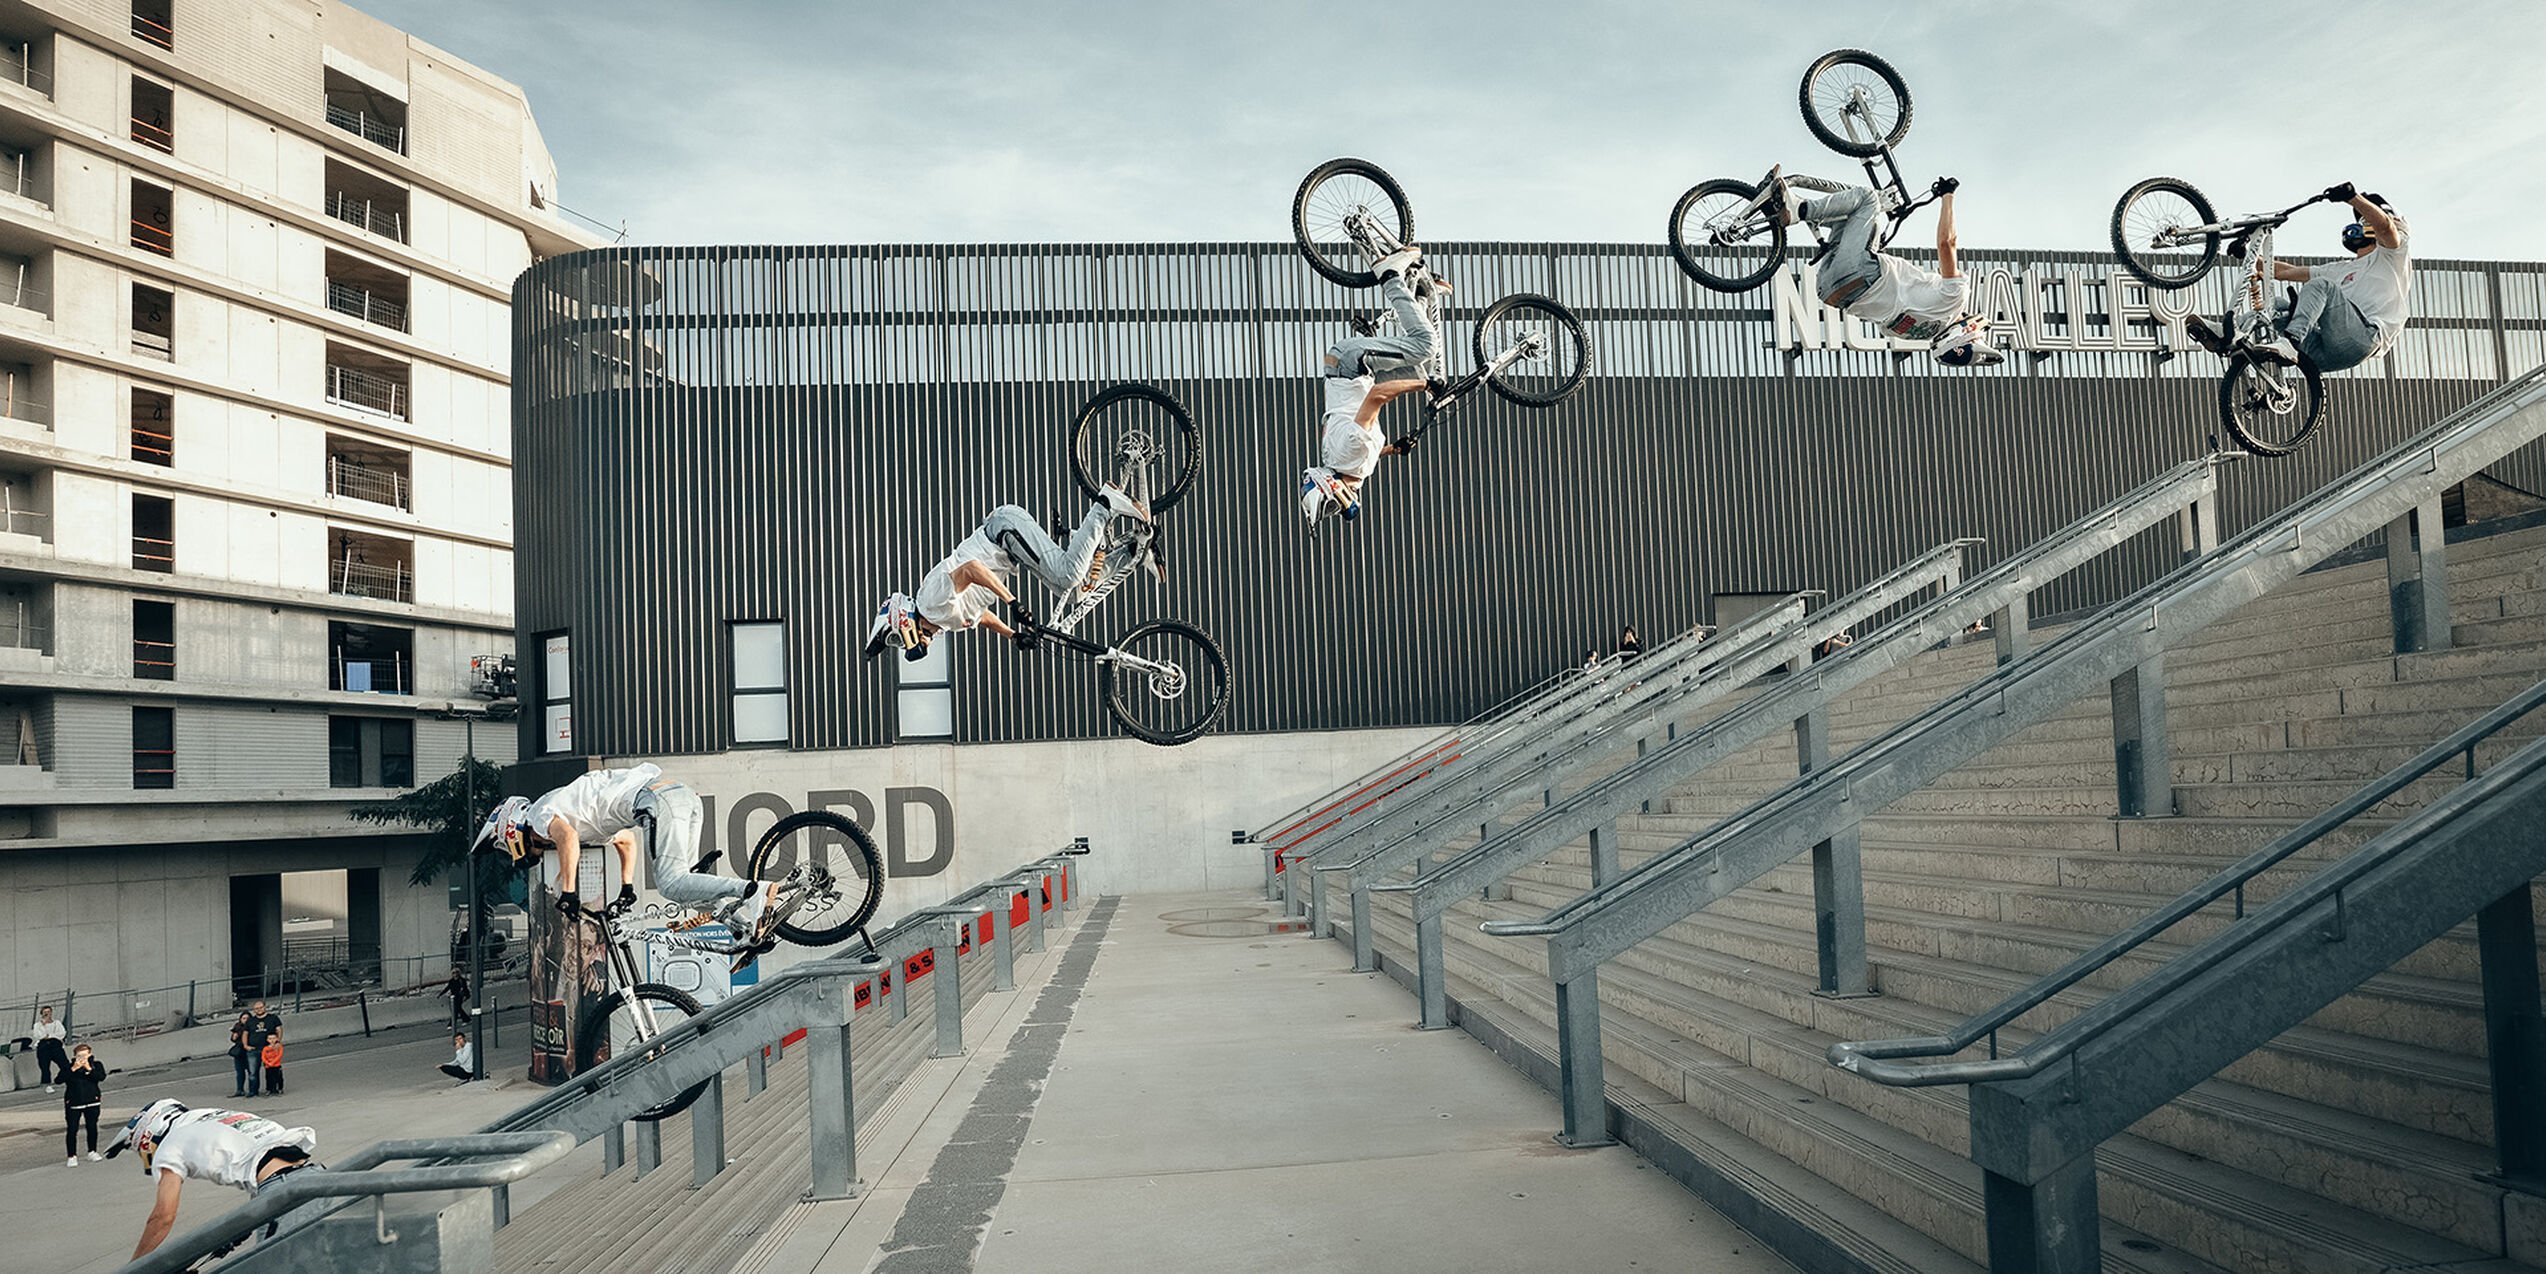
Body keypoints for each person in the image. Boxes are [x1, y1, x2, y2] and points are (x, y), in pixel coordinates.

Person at [475, 764, 781, 963]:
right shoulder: (576, 813)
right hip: (679, 795)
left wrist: (568, 892)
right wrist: (627, 887)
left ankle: (753, 891)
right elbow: (625, 840)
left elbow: (566, 838)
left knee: (671, 884)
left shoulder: (539, 816)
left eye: (509, 847)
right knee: (686, 889)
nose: (540, 848)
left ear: (510, 830)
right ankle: (744, 930)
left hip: (657, 800)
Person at [863, 484, 1152, 661]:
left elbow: (972, 570)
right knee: (1074, 592)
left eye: (903, 640)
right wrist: (1013, 636)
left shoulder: (930, 601)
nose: (925, 641)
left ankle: (1105, 504)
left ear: (904, 623)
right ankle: (1134, 551)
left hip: (1002, 533)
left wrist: (1012, 602)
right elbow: (980, 617)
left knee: (1067, 575)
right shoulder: (944, 619)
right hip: (1008, 543)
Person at [1774, 171, 2003, 368]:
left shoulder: (1954, 298)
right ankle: (1782, 206)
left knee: (1867, 198)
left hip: (1861, 273)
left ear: (1963, 334)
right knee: (1852, 218)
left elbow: (1947, 244)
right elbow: (1890, 302)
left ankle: (1799, 209)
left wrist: (1947, 195)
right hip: (1831, 292)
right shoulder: (1912, 334)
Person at [2187, 183, 2409, 374]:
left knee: (2319, 286)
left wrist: (2353, 198)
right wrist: (2249, 255)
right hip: (2322, 352)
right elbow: (2284, 272)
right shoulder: (2340, 269)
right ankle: (2228, 334)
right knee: (2276, 305)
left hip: (2363, 339)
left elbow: (2386, 228)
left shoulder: (2392, 256)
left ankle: (2290, 342)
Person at [1300, 246, 1446, 523]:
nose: (1340, 507)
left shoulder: (1351, 455)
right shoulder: (1342, 462)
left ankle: (1390, 276)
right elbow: (1364, 446)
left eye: (1333, 506)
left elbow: (1378, 395)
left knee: (1424, 348)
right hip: (1344, 368)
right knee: (1412, 362)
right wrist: (1393, 449)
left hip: (1351, 363)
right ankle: (1420, 294)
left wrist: (1426, 385)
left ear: (1330, 487)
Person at [107, 1098, 322, 1259]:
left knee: (271, 1264)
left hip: (282, 1191)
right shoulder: (212, 1116)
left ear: (147, 1137)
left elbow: (163, 1216)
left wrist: (137, 1266)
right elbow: (260, 1160)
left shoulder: (169, 1146)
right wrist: (241, 1228)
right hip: (315, 1176)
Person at [62, 1042, 104, 1166]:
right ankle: (72, 1155)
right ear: (75, 1056)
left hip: (92, 1101)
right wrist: (73, 1069)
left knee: (92, 1127)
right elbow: (59, 1079)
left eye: (85, 1056)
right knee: (72, 1129)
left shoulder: (96, 1065)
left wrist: (89, 1069)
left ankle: (92, 1151)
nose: (82, 1059)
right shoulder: (69, 1067)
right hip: (74, 1102)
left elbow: (101, 1077)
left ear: (90, 1055)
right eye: (79, 1056)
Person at [236, 1001, 280, 1098]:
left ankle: (272, 1089)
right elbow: (245, 1033)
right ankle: (253, 1091)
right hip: (253, 1049)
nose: (259, 1010)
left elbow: (279, 1030)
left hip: (269, 1048)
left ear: (265, 1007)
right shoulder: (250, 1021)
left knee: (271, 1070)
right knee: (253, 1072)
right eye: (256, 1008)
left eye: (260, 1007)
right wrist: (245, 1045)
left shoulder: (273, 1018)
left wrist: (277, 1042)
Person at [31, 1003, 66, 1092]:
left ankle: (62, 1079)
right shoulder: (38, 1025)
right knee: (45, 1067)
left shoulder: (57, 1023)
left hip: (55, 1045)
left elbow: (61, 1033)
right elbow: (38, 1035)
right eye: (45, 1012)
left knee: (64, 1064)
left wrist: (50, 1035)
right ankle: (47, 1085)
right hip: (43, 1047)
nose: (47, 1014)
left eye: (49, 1012)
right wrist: (43, 1025)